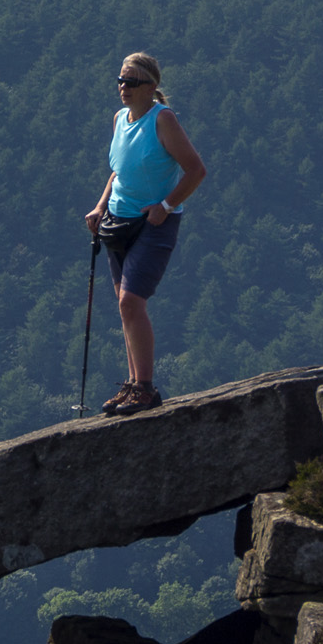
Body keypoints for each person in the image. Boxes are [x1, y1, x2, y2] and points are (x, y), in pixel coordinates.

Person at [83, 52, 207, 416]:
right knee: (127, 307)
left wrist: (165, 207)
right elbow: (118, 172)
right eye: (121, 80)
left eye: (133, 81)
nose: (124, 87)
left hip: (154, 224)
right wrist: (100, 205)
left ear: (152, 87)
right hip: (118, 223)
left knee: (130, 302)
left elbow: (196, 170)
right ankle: (134, 383)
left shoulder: (163, 120)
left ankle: (146, 389)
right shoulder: (120, 119)